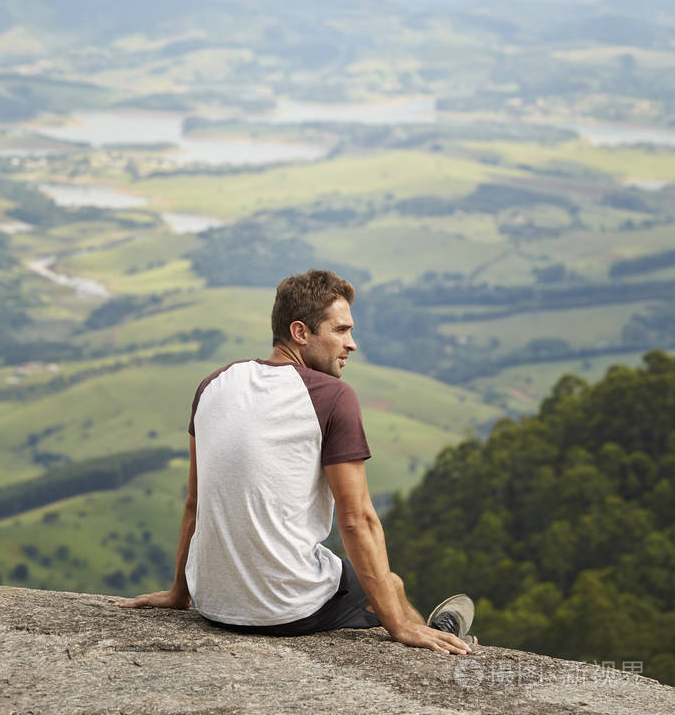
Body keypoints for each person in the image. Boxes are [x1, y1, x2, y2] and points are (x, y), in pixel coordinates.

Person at [118, 269, 476, 655]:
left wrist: (179, 593)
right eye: (340, 331)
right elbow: (357, 521)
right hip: (285, 609)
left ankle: (437, 631)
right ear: (301, 333)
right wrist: (399, 628)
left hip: (213, 603)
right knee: (391, 587)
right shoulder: (332, 397)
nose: (351, 344)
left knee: (384, 584)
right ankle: (437, 638)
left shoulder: (213, 384)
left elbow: (195, 500)